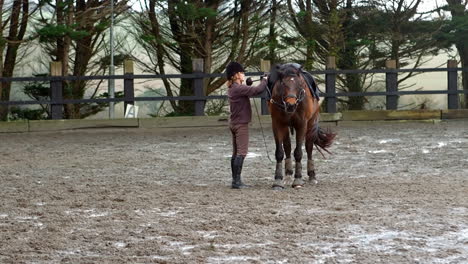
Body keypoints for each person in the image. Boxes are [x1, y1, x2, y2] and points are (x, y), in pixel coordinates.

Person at [226, 61, 267, 189]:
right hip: (241, 125)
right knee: (242, 152)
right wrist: (265, 80)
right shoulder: (238, 88)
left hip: (234, 123)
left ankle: (235, 180)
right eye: (242, 72)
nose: (244, 74)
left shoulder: (233, 88)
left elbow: (248, 90)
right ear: (236, 75)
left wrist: (248, 84)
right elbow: (257, 90)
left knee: (236, 152)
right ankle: (237, 182)